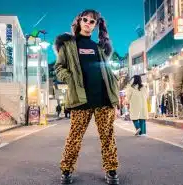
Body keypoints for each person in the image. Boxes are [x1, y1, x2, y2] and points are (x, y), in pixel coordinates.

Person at [54, 9, 119, 185]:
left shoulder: (99, 47)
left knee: (108, 136)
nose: (88, 23)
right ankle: (66, 170)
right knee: (75, 137)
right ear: (79, 21)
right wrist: (70, 78)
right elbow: (59, 68)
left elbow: (106, 71)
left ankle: (111, 171)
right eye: (85, 19)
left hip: (103, 99)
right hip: (80, 99)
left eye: (92, 21)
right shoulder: (68, 46)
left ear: (96, 25)